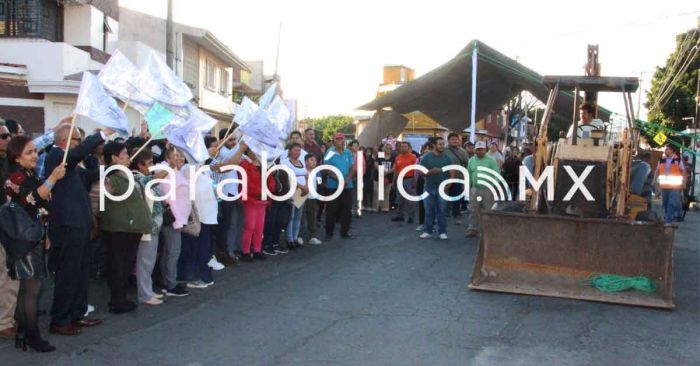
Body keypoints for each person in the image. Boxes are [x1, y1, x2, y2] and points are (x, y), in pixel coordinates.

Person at [4, 135, 66, 352]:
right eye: (29, 152)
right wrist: (53, 178)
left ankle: (23, 333)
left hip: (33, 235)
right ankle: (33, 336)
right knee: (32, 289)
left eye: (35, 151)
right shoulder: (15, 177)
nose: (35, 155)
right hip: (24, 240)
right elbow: (31, 199)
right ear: (17, 157)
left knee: (26, 290)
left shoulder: (27, 173)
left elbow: (39, 207)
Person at [45, 124, 107, 336]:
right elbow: (74, 157)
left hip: (80, 223)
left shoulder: (72, 163)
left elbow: (87, 177)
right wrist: (100, 135)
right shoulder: (55, 156)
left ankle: (77, 314)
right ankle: (60, 319)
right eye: (77, 140)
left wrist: (108, 168)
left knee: (81, 272)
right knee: (68, 273)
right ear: (66, 140)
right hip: (67, 225)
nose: (80, 145)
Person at [99, 142, 152, 314]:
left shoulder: (125, 174)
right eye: (124, 154)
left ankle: (121, 297)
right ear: (114, 158)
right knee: (118, 265)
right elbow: (99, 199)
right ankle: (117, 300)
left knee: (125, 264)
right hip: (119, 229)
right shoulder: (109, 177)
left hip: (130, 229)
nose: (128, 157)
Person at [130, 149, 167, 306]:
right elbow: (148, 183)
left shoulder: (144, 177)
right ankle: (144, 294)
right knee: (144, 260)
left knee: (150, 260)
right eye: (150, 162)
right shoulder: (136, 177)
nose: (152, 165)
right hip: (146, 225)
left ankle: (148, 290)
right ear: (140, 164)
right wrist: (166, 170)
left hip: (154, 224)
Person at [178, 158, 218, 289]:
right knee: (196, 248)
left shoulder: (201, 168)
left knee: (202, 248)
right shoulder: (187, 168)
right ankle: (198, 276)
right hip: (196, 216)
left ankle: (203, 276)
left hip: (205, 215)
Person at [159, 147, 191, 297]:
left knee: (169, 251)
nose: (179, 158)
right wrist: (178, 220)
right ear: (168, 157)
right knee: (173, 252)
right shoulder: (165, 172)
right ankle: (170, 284)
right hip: (173, 219)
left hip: (180, 218)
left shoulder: (176, 171)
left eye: (180, 156)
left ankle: (167, 281)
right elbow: (168, 199)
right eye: (175, 156)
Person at [210, 131, 244, 266]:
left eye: (234, 140)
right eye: (230, 140)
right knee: (223, 226)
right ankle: (221, 252)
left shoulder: (228, 151)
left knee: (228, 224)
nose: (233, 143)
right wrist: (242, 147)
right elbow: (231, 164)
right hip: (221, 194)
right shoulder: (222, 152)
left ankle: (225, 251)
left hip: (229, 193)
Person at [240, 142, 274, 261]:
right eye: (253, 149)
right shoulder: (244, 164)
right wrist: (263, 191)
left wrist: (267, 191)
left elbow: (270, 180)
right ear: (248, 151)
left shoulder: (262, 164)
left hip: (262, 201)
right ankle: (245, 251)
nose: (255, 152)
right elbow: (246, 183)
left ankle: (257, 250)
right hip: (251, 200)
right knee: (250, 227)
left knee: (259, 227)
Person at [418, 137, 453, 240]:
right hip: (429, 188)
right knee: (429, 211)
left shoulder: (447, 158)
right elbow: (420, 172)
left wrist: (449, 184)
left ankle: (442, 231)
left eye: (443, 144)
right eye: (440, 144)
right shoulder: (426, 157)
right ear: (434, 145)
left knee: (442, 211)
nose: (442, 146)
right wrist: (430, 173)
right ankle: (428, 231)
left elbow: (452, 173)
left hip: (442, 189)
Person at [324, 132, 356, 240]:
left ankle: (345, 232)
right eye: (337, 139)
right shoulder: (329, 152)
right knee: (331, 210)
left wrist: (347, 179)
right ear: (334, 141)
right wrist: (339, 179)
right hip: (333, 186)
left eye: (342, 139)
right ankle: (329, 234)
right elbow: (327, 169)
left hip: (347, 186)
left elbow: (352, 168)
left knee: (347, 210)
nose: (340, 141)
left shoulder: (348, 153)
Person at [466, 141, 500, 238]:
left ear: (485, 150)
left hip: (488, 189)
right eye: (478, 149)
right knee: (473, 209)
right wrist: (467, 186)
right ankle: (472, 229)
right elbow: (468, 174)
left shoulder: (491, 160)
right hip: (475, 189)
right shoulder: (471, 160)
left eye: (482, 149)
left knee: (488, 210)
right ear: (475, 150)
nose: (480, 151)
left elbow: (496, 174)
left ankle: (487, 230)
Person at [282, 143, 309, 248]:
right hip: (292, 191)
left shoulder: (301, 162)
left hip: (302, 192)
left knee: (298, 216)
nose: (297, 152)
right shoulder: (285, 162)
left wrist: (306, 187)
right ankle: (289, 239)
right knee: (291, 216)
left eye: (299, 150)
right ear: (289, 151)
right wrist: (302, 187)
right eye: (295, 150)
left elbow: (306, 175)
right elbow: (288, 178)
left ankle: (295, 237)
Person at [654, 145, 685, 224]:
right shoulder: (661, 160)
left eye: (667, 149)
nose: (665, 151)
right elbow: (657, 171)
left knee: (671, 203)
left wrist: (684, 182)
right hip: (664, 186)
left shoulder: (678, 160)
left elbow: (683, 171)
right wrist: (654, 180)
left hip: (675, 186)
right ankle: (669, 216)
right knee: (665, 203)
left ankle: (668, 221)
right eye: (665, 149)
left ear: (672, 151)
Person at [443, 133, 469, 224]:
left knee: (456, 194)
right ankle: (445, 211)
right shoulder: (444, 150)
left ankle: (456, 213)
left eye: (456, 139)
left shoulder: (462, 151)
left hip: (458, 176)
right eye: (452, 139)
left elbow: (467, 163)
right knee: (444, 194)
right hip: (445, 176)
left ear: (459, 141)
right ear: (448, 140)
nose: (454, 141)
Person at [391, 141, 418, 223]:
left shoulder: (413, 157)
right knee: (399, 199)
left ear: (409, 148)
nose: (403, 148)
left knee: (410, 199)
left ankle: (411, 216)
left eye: (405, 146)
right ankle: (399, 215)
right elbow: (396, 170)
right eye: (401, 146)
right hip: (400, 180)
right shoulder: (398, 157)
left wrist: (415, 180)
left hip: (409, 180)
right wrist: (393, 181)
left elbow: (416, 170)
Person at [301, 153, 322, 245]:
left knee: (312, 217)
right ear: (306, 162)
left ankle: (312, 236)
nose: (314, 162)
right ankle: (300, 236)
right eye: (311, 160)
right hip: (302, 197)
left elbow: (320, 184)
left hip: (312, 198)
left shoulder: (317, 172)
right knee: (301, 218)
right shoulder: (302, 171)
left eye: (315, 160)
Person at [415, 142, 434, 232]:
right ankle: (422, 223)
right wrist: (414, 181)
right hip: (421, 182)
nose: (426, 151)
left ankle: (431, 225)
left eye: (429, 149)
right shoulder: (419, 159)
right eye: (425, 149)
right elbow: (416, 172)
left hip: (432, 182)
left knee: (432, 204)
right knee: (421, 204)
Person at [373, 143, 394, 213]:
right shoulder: (380, 155)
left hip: (388, 177)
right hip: (378, 177)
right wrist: (381, 171)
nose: (388, 150)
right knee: (377, 192)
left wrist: (387, 172)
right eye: (387, 148)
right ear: (384, 149)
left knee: (386, 193)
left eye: (390, 148)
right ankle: (376, 207)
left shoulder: (392, 156)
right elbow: (375, 164)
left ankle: (384, 208)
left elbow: (394, 167)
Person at [349, 140, 364, 217]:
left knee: (358, 195)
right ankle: (350, 209)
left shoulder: (360, 155)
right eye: (354, 145)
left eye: (357, 146)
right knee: (350, 194)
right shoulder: (347, 154)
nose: (356, 147)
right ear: (351, 146)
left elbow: (364, 166)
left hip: (358, 177)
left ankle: (357, 210)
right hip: (349, 177)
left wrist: (361, 175)